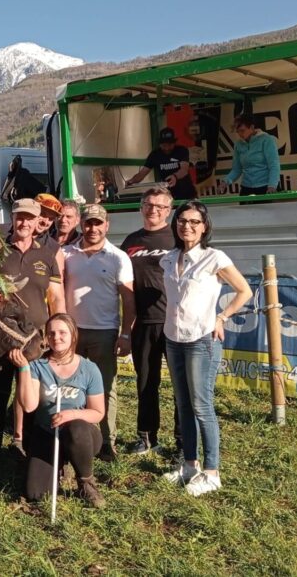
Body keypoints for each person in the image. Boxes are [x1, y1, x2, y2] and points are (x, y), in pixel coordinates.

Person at [160, 199, 252, 496]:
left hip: (202, 340)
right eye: (182, 221)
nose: (187, 226)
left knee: (202, 405)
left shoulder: (214, 258)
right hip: (173, 338)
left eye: (194, 222)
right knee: (182, 404)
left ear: (204, 227)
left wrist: (222, 317)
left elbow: (244, 290)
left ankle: (212, 472)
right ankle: (190, 465)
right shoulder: (169, 257)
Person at [0, 198, 66, 483]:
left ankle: (35, 459)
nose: (24, 222)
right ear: (12, 218)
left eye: (29, 218)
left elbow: (56, 297)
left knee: (35, 402)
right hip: (1, 341)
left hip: (36, 343)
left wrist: (61, 332)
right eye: (19, 217)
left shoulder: (47, 256)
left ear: (38, 221)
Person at [9, 314, 107, 507]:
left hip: (82, 436)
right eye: (51, 333)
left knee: (76, 428)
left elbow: (98, 412)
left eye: (62, 332)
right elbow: (28, 405)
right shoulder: (38, 366)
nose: (56, 337)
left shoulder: (89, 369)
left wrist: (72, 414)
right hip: (47, 432)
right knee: (36, 493)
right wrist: (23, 370)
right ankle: (60, 465)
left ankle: (86, 482)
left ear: (73, 335)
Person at [62, 203, 135, 461]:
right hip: (71, 334)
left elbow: (128, 299)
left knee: (104, 388)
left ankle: (107, 443)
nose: (93, 228)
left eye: (98, 223)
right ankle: (73, 439)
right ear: (81, 224)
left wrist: (125, 334)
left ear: (107, 225)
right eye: (89, 223)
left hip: (104, 332)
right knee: (70, 387)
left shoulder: (118, 257)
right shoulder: (66, 254)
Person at [120, 186, 181, 456]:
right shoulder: (131, 241)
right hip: (143, 323)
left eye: (160, 206)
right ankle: (147, 437)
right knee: (145, 382)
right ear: (141, 207)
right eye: (148, 204)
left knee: (182, 385)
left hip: (175, 323)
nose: (153, 210)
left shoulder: (178, 239)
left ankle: (183, 442)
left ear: (169, 211)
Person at [125, 127, 197, 199]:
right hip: (168, 196)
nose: (167, 148)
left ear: (174, 143)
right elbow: (142, 173)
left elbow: (184, 170)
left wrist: (175, 176)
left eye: (170, 145)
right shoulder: (155, 155)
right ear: (160, 144)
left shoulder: (181, 150)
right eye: (164, 145)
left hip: (187, 193)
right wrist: (131, 181)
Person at [220, 114, 280, 195]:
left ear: (251, 127)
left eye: (242, 130)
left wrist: (272, 185)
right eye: (238, 132)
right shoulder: (238, 144)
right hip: (246, 187)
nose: (240, 134)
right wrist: (225, 181)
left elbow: (274, 165)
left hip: (265, 186)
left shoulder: (267, 140)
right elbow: (236, 169)